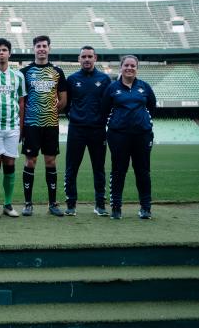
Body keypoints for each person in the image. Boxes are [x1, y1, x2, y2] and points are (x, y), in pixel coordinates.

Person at [102, 55, 156, 220]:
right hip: (118, 135)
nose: (130, 68)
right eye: (126, 65)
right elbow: (104, 110)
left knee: (143, 172)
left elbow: (152, 106)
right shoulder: (112, 88)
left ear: (136, 68)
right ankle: (116, 208)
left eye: (133, 65)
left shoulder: (144, 87)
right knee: (118, 171)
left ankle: (145, 208)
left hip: (142, 135)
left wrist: (142, 123)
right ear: (121, 67)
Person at [20, 35, 68, 217]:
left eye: (44, 46)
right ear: (34, 49)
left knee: (50, 161)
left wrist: (52, 110)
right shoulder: (25, 72)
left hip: (51, 125)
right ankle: (27, 203)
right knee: (30, 161)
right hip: (31, 124)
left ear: (49, 48)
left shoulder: (57, 72)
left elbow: (63, 99)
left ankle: (52, 204)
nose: (41, 49)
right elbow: (22, 100)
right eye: (38, 46)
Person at [64, 46, 112, 217]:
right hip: (76, 129)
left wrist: (100, 119)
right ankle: (71, 204)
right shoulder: (72, 79)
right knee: (71, 168)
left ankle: (100, 204)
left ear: (95, 58)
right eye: (83, 56)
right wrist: (74, 117)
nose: (86, 59)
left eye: (89, 56)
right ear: (79, 59)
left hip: (98, 130)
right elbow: (66, 104)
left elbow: (108, 104)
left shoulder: (105, 79)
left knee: (99, 168)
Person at [0, 38, 26, 218]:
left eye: (4, 50)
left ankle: (8, 204)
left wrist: (21, 127)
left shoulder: (18, 76)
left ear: (9, 53)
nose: (1, 53)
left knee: (10, 163)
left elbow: (22, 102)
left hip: (12, 126)